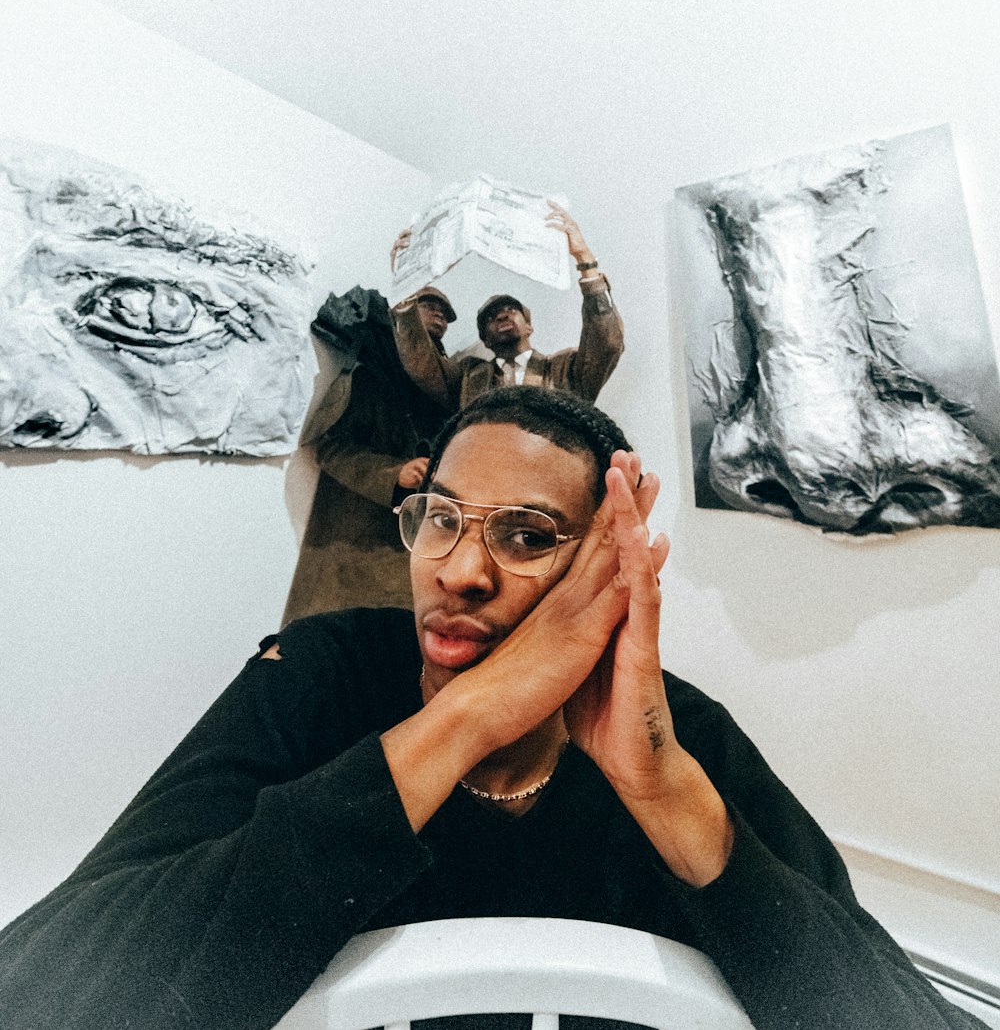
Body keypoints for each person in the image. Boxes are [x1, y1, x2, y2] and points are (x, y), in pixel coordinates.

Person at [0, 389, 985, 1030]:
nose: (460, 571)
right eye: (441, 519)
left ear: (604, 568)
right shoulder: (321, 669)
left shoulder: (682, 734)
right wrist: (465, 718)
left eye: (525, 534)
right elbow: (39, 990)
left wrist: (663, 788)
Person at [282, 284, 455, 620]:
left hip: (419, 549)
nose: (439, 314)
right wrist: (394, 473)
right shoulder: (369, 378)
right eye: (428, 304)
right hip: (356, 550)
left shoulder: (450, 385)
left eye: (445, 313)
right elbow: (331, 449)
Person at [392, 201, 624, 410]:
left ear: (529, 327)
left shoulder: (564, 370)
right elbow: (421, 363)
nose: (502, 315)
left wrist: (584, 259)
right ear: (485, 340)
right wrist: (406, 278)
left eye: (511, 310)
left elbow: (607, 342)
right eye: (491, 318)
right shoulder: (466, 378)